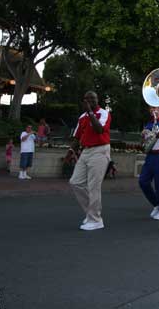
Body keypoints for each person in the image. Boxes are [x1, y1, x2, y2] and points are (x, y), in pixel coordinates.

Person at [69, 91, 112, 231]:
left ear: (97, 99)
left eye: (93, 99)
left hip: (100, 150)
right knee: (75, 182)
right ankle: (92, 213)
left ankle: (95, 220)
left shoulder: (103, 113)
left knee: (94, 186)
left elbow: (99, 130)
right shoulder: (82, 117)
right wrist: (71, 151)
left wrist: (90, 112)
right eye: (87, 99)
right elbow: (77, 137)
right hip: (86, 151)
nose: (90, 101)